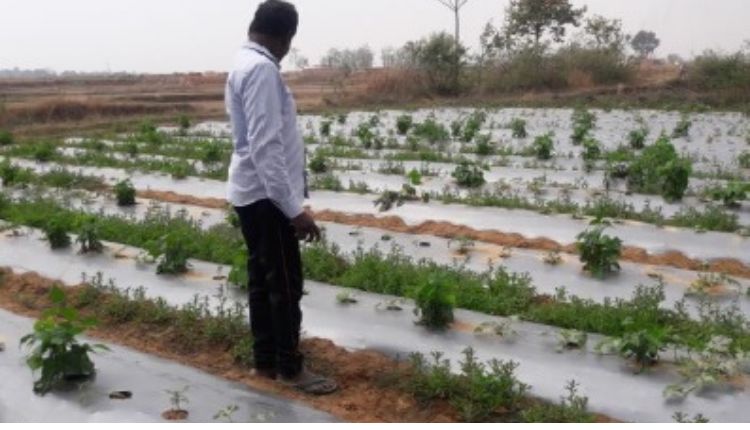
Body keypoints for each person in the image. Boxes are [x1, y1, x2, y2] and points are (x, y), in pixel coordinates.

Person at [226, 0, 337, 395]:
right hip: (266, 199)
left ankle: (266, 362)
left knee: (262, 280)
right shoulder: (260, 71)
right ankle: (290, 369)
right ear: (285, 38)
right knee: (285, 284)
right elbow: (266, 147)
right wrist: (294, 210)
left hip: (252, 194)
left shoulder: (243, 62)